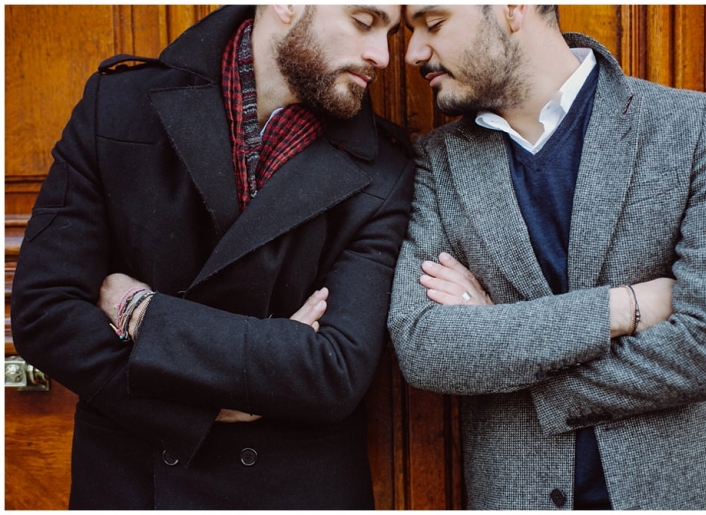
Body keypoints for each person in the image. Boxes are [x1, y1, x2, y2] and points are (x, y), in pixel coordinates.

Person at [11, 5, 413, 510]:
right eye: (364, 21)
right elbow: (45, 312)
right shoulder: (118, 105)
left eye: (390, 32)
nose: (382, 55)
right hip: (134, 483)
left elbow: (333, 371)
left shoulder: (385, 169)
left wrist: (142, 312)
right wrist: (202, 407)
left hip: (293, 491)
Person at [388, 4, 706, 510]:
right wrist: (621, 308)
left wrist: (501, 338)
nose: (412, 52)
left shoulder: (695, 128)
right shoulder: (437, 161)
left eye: (433, 24)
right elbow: (423, 347)